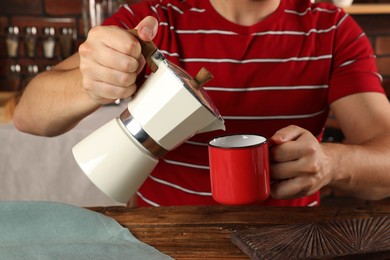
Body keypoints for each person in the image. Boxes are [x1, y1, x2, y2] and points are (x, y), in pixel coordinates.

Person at [13, 0, 390, 207]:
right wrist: (92, 83)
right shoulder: (154, 18)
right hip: (162, 239)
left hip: (288, 241)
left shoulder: (332, 29)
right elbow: (29, 116)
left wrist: (331, 164)